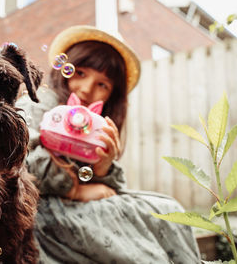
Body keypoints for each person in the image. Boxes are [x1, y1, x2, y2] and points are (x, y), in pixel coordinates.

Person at [16, 25, 200, 264]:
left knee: (167, 208)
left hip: (70, 208)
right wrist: (75, 190)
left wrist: (103, 168)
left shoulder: (94, 124)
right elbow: (19, 163)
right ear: (65, 69)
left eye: (102, 84)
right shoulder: (40, 102)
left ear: (112, 96)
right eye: (80, 73)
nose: (86, 89)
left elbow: (109, 190)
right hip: (39, 212)